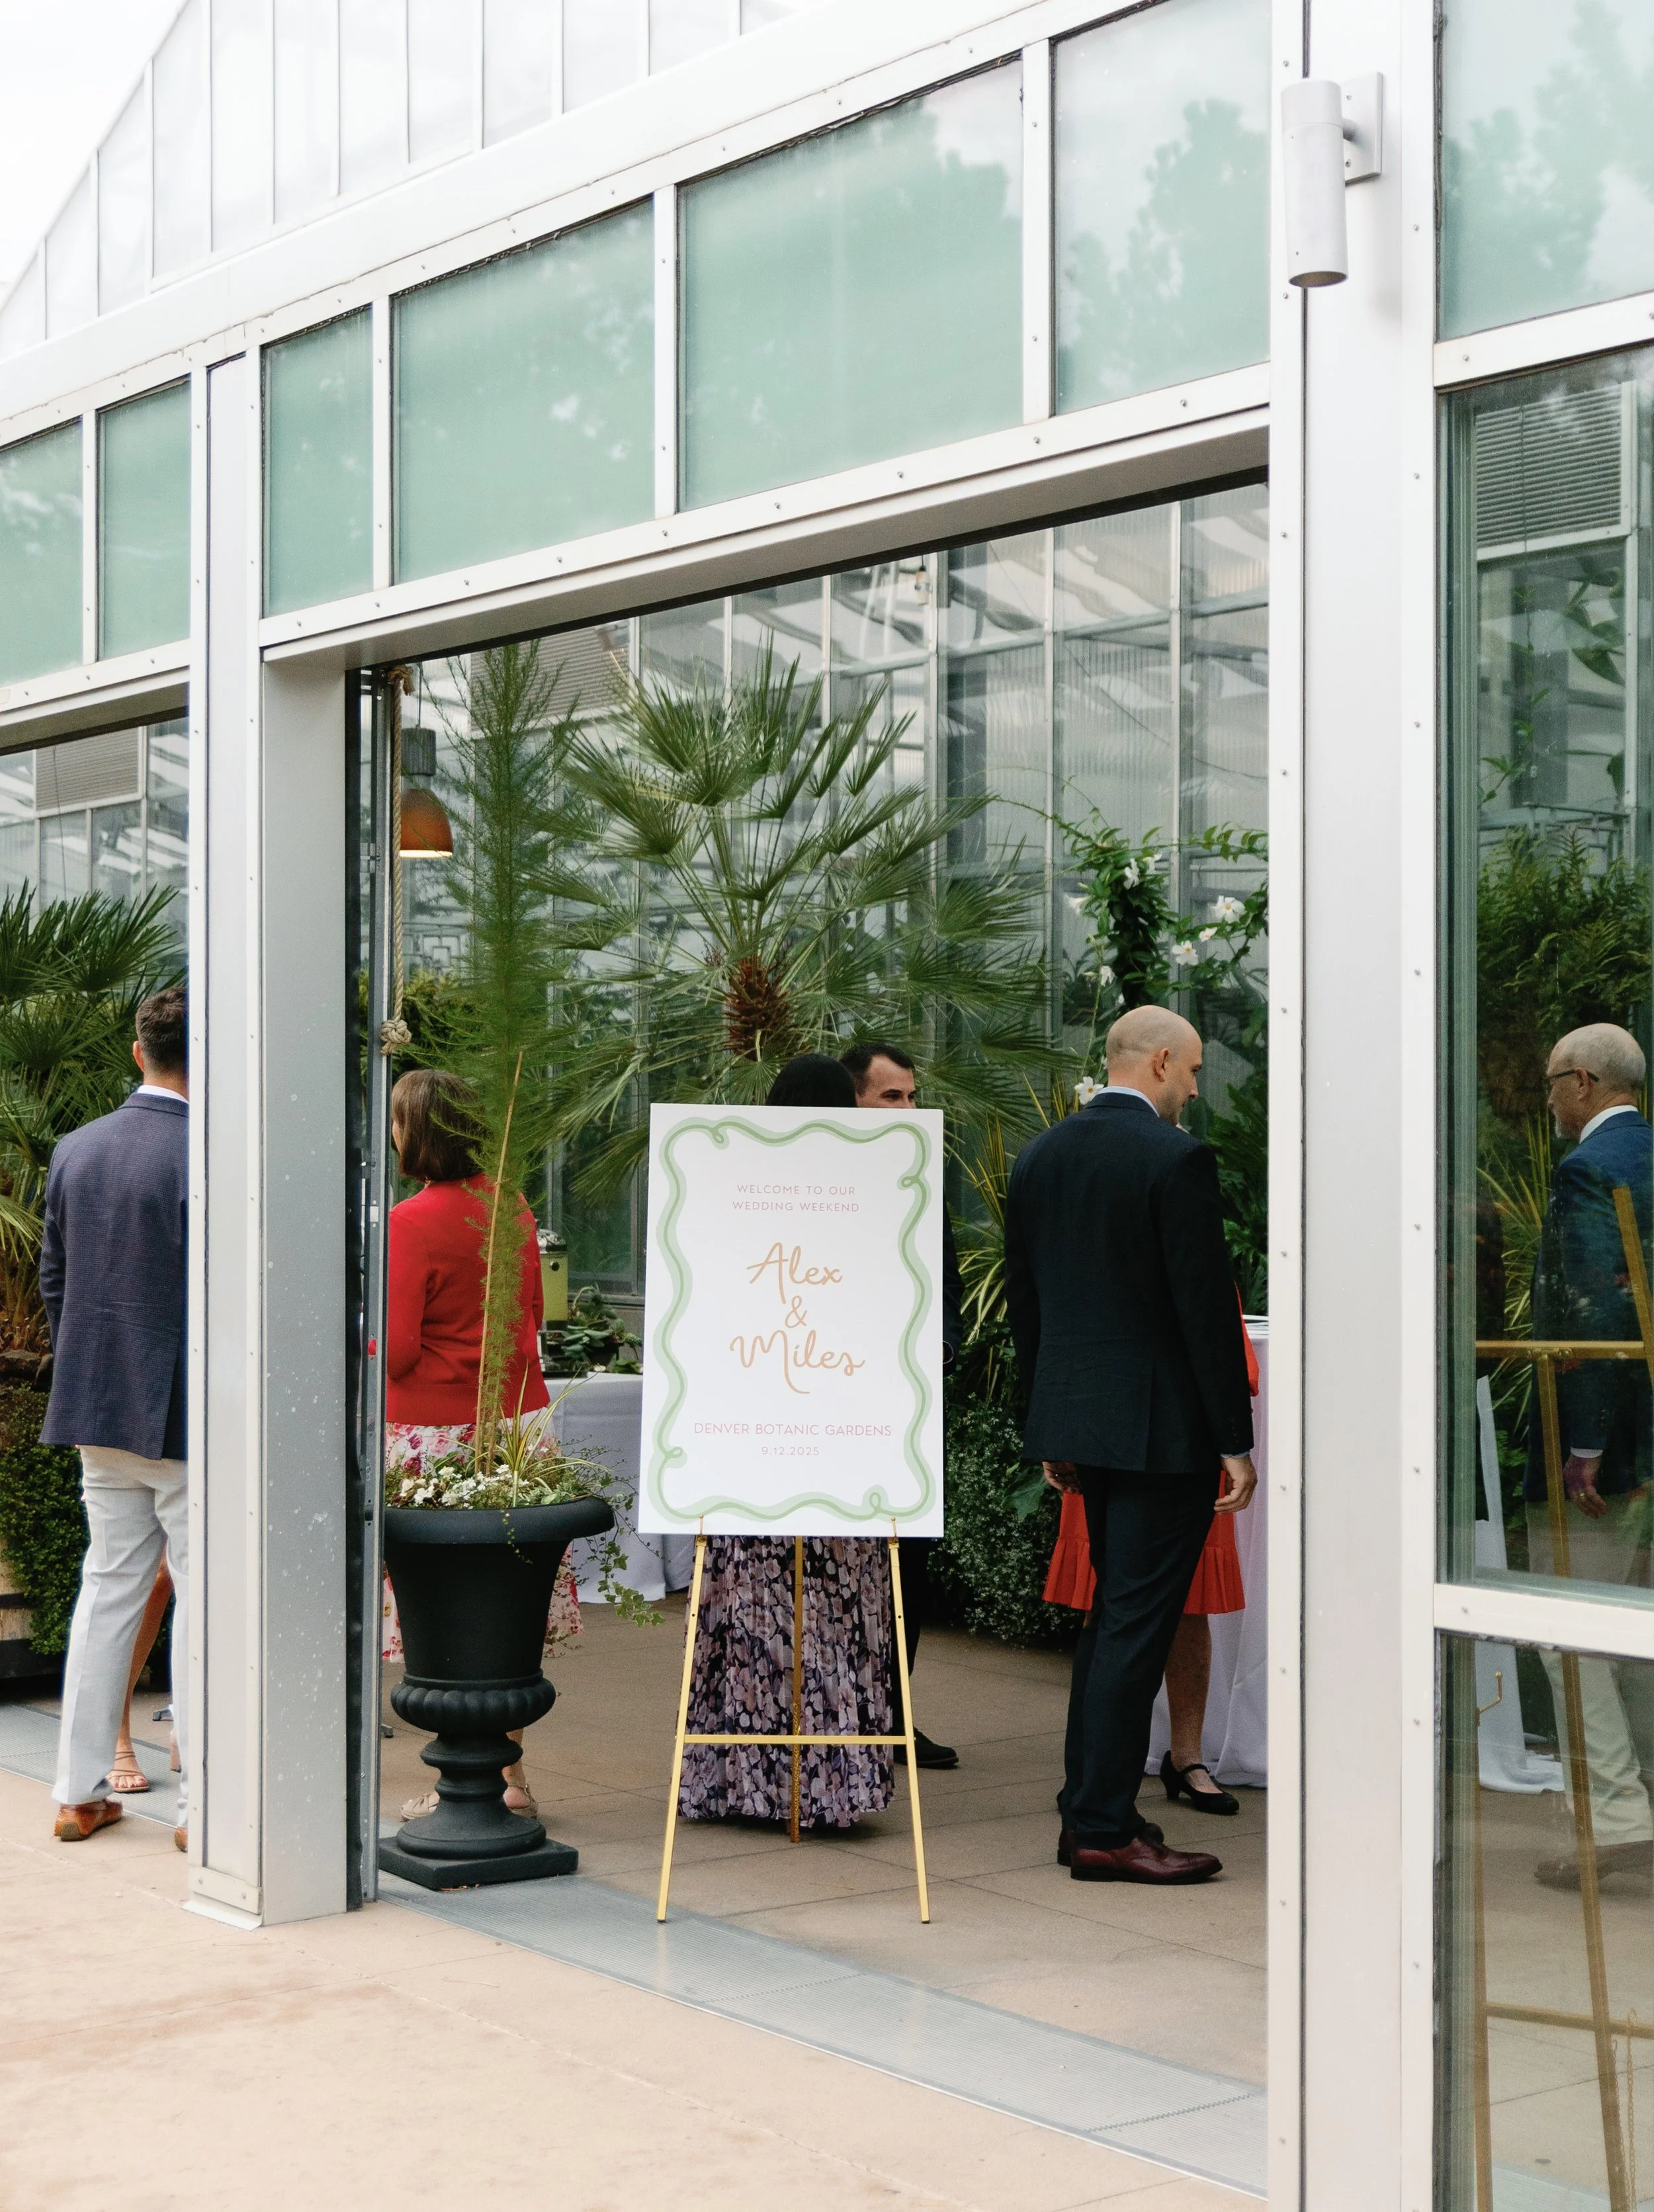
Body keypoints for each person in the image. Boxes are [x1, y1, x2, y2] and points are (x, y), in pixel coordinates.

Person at [1004, 1004, 1256, 1885]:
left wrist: (1049, 1422)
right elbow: (1202, 1312)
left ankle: (1093, 1816)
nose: (1194, 1085)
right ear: (1155, 1063)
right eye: (1189, 1069)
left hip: (1082, 1424)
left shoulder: (1040, 1157)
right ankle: (1104, 1827)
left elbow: (1025, 1302)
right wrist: (1235, 1441)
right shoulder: (1175, 1159)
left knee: (1115, 1625)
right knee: (1132, 1629)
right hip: (1162, 1436)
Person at [677, 1052, 896, 1830]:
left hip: (748, 1448)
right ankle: (832, 1786)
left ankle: (739, 1780)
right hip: (839, 1446)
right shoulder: (863, 1199)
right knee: (835, 1618)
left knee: (750, 1619)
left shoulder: (734, 1193)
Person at [382, 1066, 568, 1818]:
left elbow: (394, 1350)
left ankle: (464, 1776)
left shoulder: (409, 1222)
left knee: (444, 1610)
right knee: (508, 1603)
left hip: (435, 1430)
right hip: (520, 1422)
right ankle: (512, 1771)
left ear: (414, 1134)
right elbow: (531, 1315)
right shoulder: (514, 1209)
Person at [47, 985, 190, 1848]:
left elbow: (57, 1290)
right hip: (182, 1412)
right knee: (206, 1602)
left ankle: (75, 1790)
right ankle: (203, 1805)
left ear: (138, 1052)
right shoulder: (208, 1156)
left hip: (97, 1404)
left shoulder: (75, 1150)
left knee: (106, 1594)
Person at [1525, 1023, 1654, 1891]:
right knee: (1634, 1633)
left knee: (1565, 1632)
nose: (1545, 1100)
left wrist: (1585, 1446)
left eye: (1549, 1084)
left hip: (1607, 1450)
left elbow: (1592, 1317)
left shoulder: (1586, 1172)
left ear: (1582, 1082)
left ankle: (1613, 1818)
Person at [1043, 1305, 1258, 1815]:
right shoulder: (1087, 1243)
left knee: (1191, 1603)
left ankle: (1186, 1758)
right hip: (1099, 1440)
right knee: (1105, 1604)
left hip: (1182, 1443)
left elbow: (1233, 1357)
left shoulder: (1178, 1241)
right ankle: (1089, 1777)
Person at [840, 1041, 961, 1770]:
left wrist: (941, 1346)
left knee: (906, 1563)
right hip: (834, 1411)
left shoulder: (920, 1181)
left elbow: (942, 1281)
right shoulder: (808, 1177)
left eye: (913, 1096)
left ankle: (893, 1713)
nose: (909, 1110)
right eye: (892, 1097)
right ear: (854, 1100)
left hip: (908, 1409)